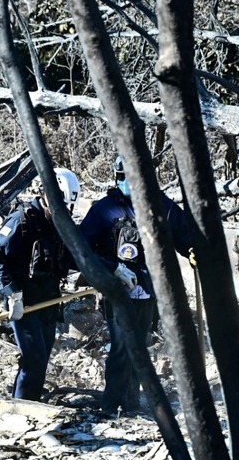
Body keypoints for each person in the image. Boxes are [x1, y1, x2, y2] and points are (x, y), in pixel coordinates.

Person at [79, 155, 193, 414]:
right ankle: (113, 405)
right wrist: (112, 269)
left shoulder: (161, 205)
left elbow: (184, 232)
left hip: (150, 291)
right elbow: (82, 249)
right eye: (121, 177)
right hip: (118, 292)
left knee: (140, 347)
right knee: (122, 348)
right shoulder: (103, 210)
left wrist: (192, 250)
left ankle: (132, 403)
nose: (125, 181)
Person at [0, 168, 81, 401]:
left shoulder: (59, 223)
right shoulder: (21, 220)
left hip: (48, 302)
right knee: (33, 358)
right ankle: (22, 406)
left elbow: (75, 258)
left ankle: (32, 403)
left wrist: (108, 272)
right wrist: (12, 293)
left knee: (43, 357)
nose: (62, 211)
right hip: (23, 304)